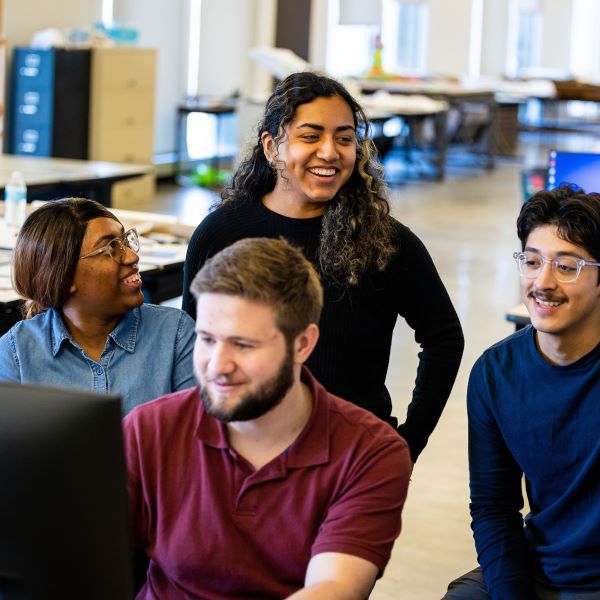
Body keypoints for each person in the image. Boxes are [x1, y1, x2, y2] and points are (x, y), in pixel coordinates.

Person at [182, 71, 464, 463]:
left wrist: (409, 442)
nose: (330, 152)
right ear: (272, 147)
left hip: (350, 456)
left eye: (345, 138)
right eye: (310, 136)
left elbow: (444, 337)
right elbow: (193, 343)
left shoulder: (384, 241)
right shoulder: (222, 233)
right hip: (244, 453)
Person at [124, 237, 411, 599]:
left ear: (303, 344)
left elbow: (334, 586)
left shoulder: (370, 452)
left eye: (243, 345)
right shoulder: (148, 429)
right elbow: (83, 552)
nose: (217, 366)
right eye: (207, 339)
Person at [444, 186, 600, 600]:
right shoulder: (495, 375)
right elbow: (494, 510)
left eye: (567, 267)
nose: (542, 283)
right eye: (531, 262)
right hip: (540, 570)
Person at [0, 198, 195, 414]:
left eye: (126, 241)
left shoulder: (175, 333)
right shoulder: (15, 352)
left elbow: (192, 437)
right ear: (64, 278)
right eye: (111, 247)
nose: (132, 256)